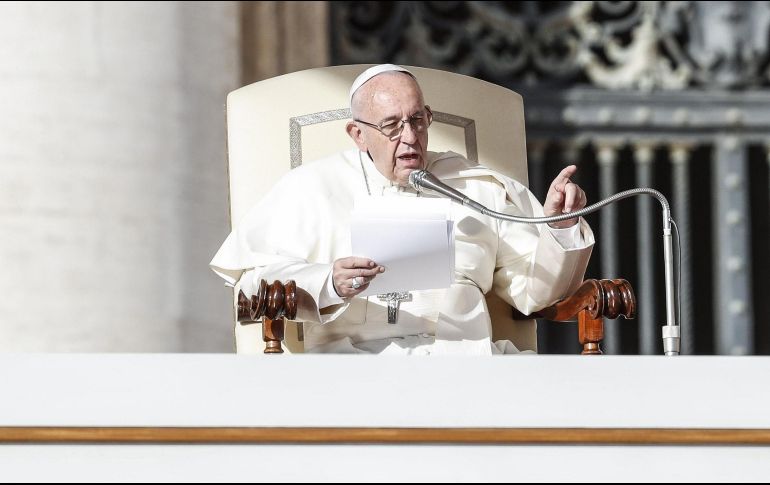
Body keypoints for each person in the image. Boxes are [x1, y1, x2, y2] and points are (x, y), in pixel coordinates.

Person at [210, 64, 594, 355]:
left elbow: (539, 293)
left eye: (417, 121)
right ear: (358, 134)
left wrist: (559, 227)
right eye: (392, 126)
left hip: (464, 368)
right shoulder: (312, 187)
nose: (410, 137)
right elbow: (253, 285)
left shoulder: (476, 186)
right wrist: (328, 282)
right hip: (349, 373)